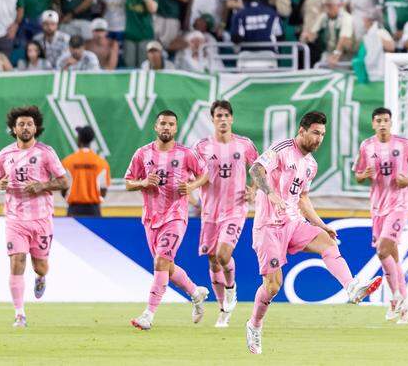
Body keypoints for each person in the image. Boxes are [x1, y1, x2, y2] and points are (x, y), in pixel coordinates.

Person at [245, 111, 382, 354]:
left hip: (293, 223)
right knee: (274, 285)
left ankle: (351, 286)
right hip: (268, 226)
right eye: (316, 133)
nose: (319, 139)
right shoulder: (282, 149)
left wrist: (320, 224)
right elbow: (256, 169)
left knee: (328, 242)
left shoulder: (311, 165)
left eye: (323, 135)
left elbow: (303, 198)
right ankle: (255, 324)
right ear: (302, 130)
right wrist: (270, 193)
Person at [124, 110, 210, 331]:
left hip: (176, 215)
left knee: (161, 262)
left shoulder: (185, 153)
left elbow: (206, 174)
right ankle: (195, 293)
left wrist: (191, 186)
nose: (166, 127)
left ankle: (148, 315)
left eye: (171, 124)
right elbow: (128, 182)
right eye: (163, 123)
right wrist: (143, 182)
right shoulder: (142, 154)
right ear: (155, 126)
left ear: (176, 128)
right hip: (151, 218)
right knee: (167, 268)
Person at [0, 106, 70, 328]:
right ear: (13, 129)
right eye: (21, 124)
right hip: (15, 218)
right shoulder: (5, 154)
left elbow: (64, 182)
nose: (25, 127)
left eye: (29, 124)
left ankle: (41, 278)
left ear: (36, 127)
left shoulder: (46, 152)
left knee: (40, 266)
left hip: (42, 218)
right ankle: (19, 314)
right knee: (17, 261)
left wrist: (43, 186)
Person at [352, 107, 408, 324]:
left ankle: (398, 299)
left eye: (386, 120)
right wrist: (361, 176)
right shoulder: (366, 146)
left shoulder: (404, 144)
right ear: (373, 124)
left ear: (391, 123)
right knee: (391, 256)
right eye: (378, 121)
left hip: (398, 205)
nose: (382, 124)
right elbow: (358, 174)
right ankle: (399, 303)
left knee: (382, 250)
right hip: (377, 208)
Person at [191, 100, 259, 328]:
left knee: (222, 255)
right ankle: (223, 310)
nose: (222, 119)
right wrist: (191, 194)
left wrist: (254, 190)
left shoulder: (244, 144)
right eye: (218, 115)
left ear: (232, 119)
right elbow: (192, 174)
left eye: (226, 115)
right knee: (212, 261)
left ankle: (231, 289)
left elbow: (258, 169)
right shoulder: (201, 147)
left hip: (235, 209)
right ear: (212, 119)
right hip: (210, 211)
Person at [61, 126, 111, 217]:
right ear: (91, 141)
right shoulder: (101, 163)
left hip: (74, 210)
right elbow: (103, 189)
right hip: (94, 210)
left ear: (79, 140)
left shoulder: (67, 161)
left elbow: (63, 188)